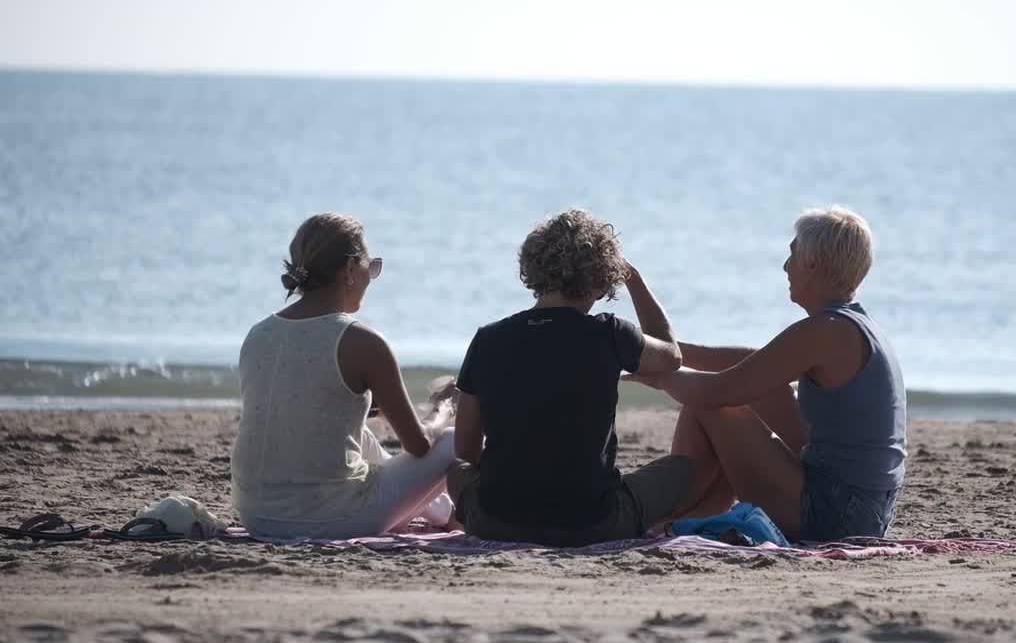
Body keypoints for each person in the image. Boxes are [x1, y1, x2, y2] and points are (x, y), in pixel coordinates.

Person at [627, 206, 906, 541]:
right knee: (764, 390)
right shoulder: (853, 325)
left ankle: (670, 510)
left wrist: (653, 374)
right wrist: (669, 351)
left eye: (793, 255)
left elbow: (716, 392)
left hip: (835, 513)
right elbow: (754, 364)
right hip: (864, 510)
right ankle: (702, 510)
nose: (786, 267)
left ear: (813, 264)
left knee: (711, 406)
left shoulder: (825, 331)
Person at [448, 209, 693, 547]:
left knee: (455, 471)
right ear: (604, 276)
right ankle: (660, 525)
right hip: (593, 523)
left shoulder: (488, 338)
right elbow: (671, 356)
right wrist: (634, 278)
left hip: (494, 521)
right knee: (683, 469)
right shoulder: (609, 333)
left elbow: (466, 450)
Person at [231, 213, 455, 539]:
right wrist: (444, 408)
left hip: (255, 514)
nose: (371, 277)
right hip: (327, 518)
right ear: (350, 268)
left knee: (359, 434)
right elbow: (420, 445)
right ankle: (444, 511)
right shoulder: (362, 341)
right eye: (371, 267)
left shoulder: (258, 333)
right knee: (450, 442)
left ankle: (439, 509)